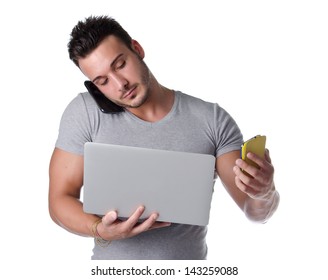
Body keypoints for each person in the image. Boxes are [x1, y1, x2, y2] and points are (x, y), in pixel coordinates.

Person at [48, 15, 280, 260]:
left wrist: (264, 192)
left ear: (137, 49)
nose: (120, 84)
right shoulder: (84, 112)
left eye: (120, 64)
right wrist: (100, 229)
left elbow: (254, 211)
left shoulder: (211, 119)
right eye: (103, 81)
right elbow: (59, 201)